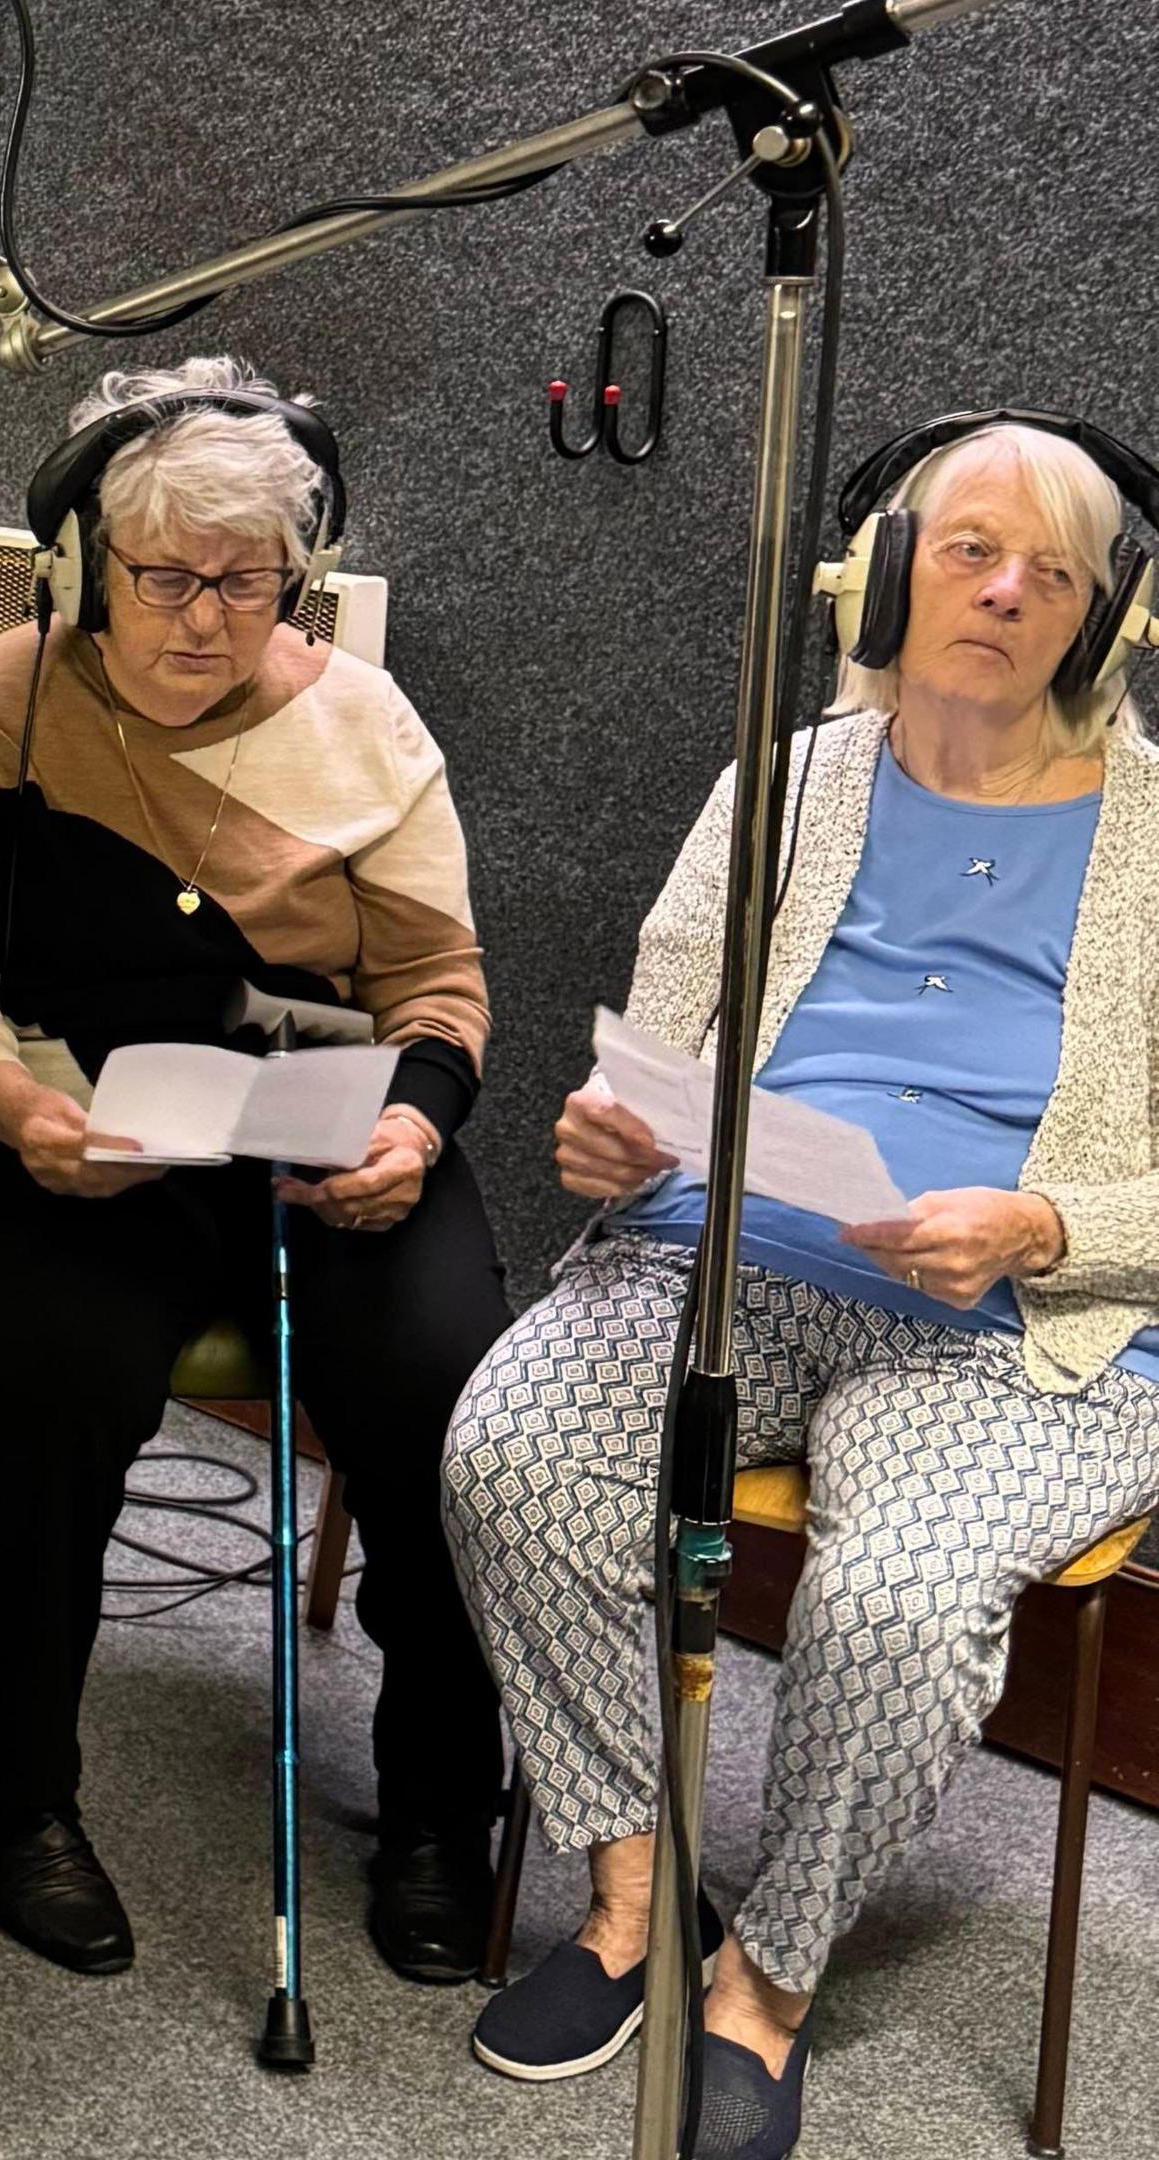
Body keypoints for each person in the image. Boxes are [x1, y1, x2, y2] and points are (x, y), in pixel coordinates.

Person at [449, 416, 1159, 2159]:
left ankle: (761, 1984)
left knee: (896, 1606)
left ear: (1106, 614)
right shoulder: (783, 779)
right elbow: (665, 1037)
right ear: (882, 574)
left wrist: (1047, 1228)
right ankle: (632, 1893)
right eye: (969, 548)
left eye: (1051, 571)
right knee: (511, 1460)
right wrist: (621, 1135)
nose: (1002, 590)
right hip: (728, 1255)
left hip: (1017, 1336)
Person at [0, 357, 510, 1984]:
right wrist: (8, 1104)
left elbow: (439, 990)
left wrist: (411, 1129)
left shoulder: (368, 723)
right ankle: (5, 1784)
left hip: (325, 1132)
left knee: (449, 1387)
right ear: (84, 564)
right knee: (54, 1357)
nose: (205, 616)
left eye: (246, 581)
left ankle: (444, 1806)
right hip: (65, 1131)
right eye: (164, 575)